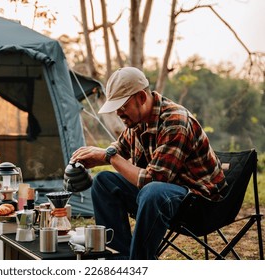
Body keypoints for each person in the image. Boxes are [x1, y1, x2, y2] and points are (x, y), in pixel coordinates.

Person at [71, 67, 226, 259]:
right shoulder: (137, 121)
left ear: (142, 98)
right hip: (163, 197)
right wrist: (91, 158)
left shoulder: (175, 121)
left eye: (122, 106)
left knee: (153, 191)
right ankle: (119, 260)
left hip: (199, 205)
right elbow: (118, 148)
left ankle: (139, 265)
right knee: (103, 181)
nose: (119, 113)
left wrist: (108, 157)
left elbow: (153, 179)